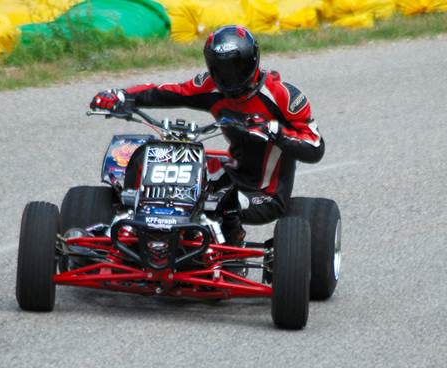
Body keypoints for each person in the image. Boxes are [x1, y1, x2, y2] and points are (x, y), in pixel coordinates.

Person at [90, 25, 324, 244]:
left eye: (236, 67)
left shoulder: (282, 96)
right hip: (230, 174)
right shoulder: (210, 85)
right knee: (159, 156)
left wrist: (274, 132)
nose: (229, 76)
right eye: (221, 69)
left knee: (222, 202)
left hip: (265, 193)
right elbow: (170, 92)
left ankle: (230, 246)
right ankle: (131, 224)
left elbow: (315, 146)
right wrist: (122, 96)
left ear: (252, 61)